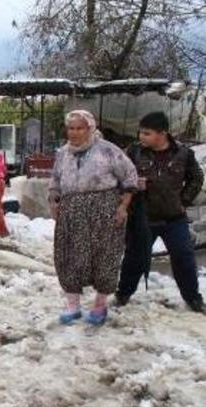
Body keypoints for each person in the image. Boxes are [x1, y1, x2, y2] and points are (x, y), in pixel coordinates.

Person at [49, 110, 138, 326]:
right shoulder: (63, 153)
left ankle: (100, 304)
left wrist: (123, 207)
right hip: (71, 212)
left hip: (103, 211)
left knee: (104, 255)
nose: (74, 133)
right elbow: (55, 180)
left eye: (80, 128)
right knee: (68, 256)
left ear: (90, 128)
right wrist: (53, 201)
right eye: (71, 128)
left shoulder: (108, 150)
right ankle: (73, 306)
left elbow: (130, 177)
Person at [116, 112, 205, 312]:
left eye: (147, 133)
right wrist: (132, 185)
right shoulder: (134, 152)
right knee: (135, 259)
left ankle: (193, 298)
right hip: (142, 217)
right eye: (141, 132)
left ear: (163, 133)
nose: (142, 137)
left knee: (184, 257)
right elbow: (119, 176)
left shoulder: (183, 153)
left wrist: (183, 201)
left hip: (174, 218)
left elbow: (197, 177)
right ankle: (123, 294)